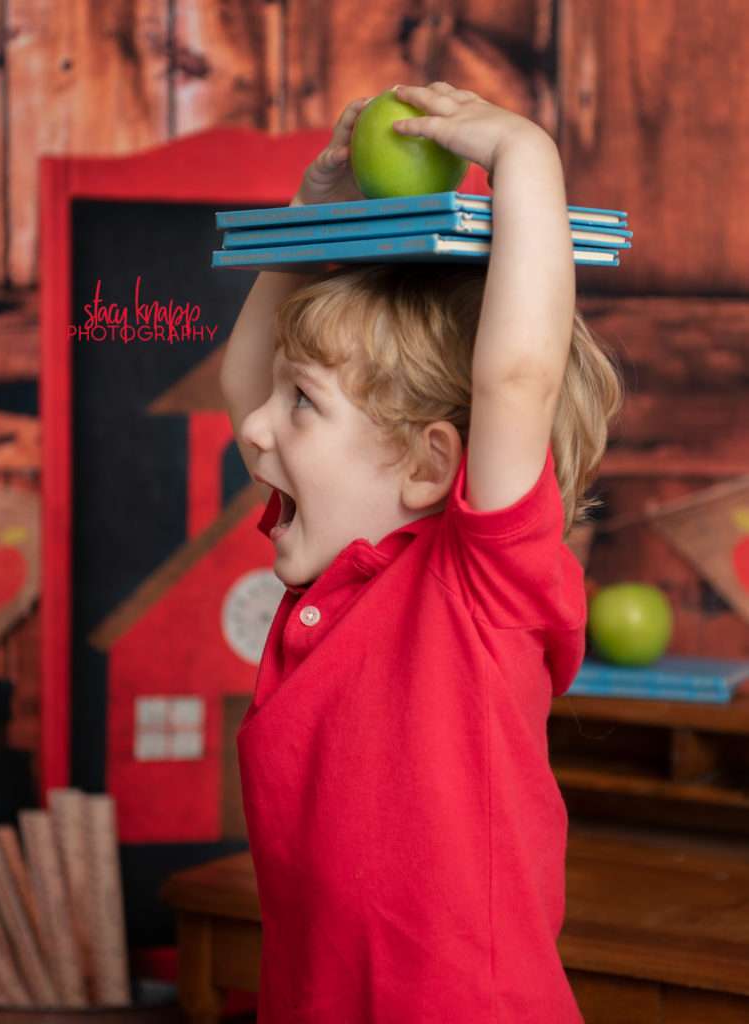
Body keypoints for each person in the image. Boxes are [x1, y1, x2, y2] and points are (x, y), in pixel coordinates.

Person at [219, 82, 624, 1024]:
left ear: (428, 463)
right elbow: (245, 387)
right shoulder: (337, 558)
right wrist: (311, 225)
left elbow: (515, 375)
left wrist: (524, 155)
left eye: (302, 403)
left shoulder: (475, 582)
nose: (254, 425)